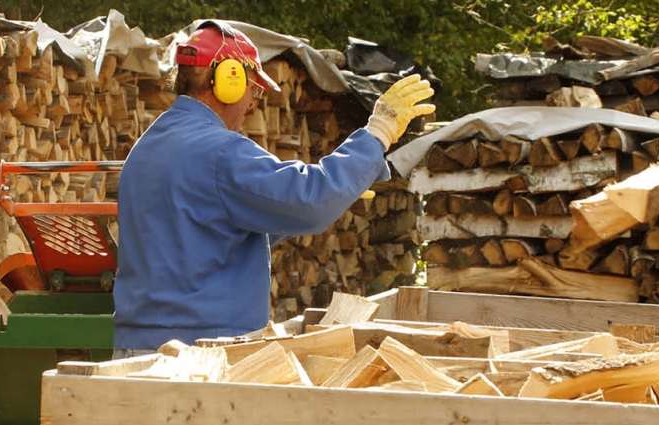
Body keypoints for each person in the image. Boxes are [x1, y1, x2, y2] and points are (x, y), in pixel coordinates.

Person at [112, 20, 435, 356]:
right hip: (200, 353)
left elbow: (205, 234)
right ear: (228, 80)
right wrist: (378, 131)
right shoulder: (220, 151)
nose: (252, 101)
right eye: (252, 87)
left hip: (135, 350)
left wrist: (342, 189)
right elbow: (309, 199)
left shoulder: (148, 146)